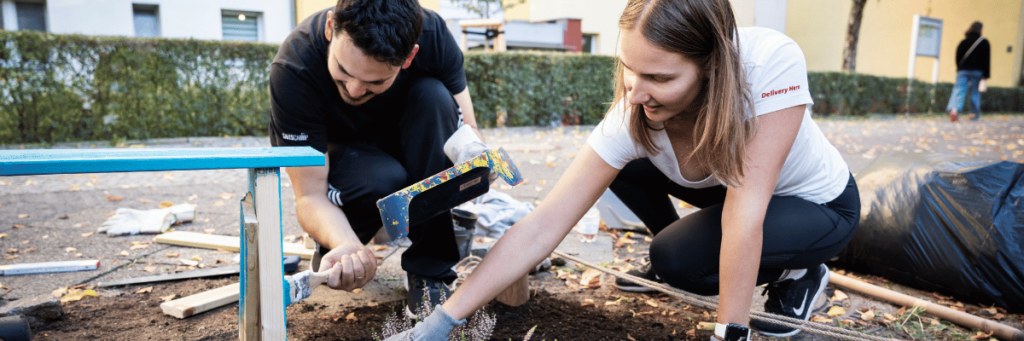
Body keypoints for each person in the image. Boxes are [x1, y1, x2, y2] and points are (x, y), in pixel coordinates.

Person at [386, 0, 860, 340]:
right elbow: (542, 225)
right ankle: (710, 248)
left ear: (712, 66)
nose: (635, 91)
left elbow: (746, 211)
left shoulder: (769, 65)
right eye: (631, 70)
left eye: (660, 78)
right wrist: (442, 321)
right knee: (630, 180)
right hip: (727, 193)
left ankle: (798, 273)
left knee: (677, 261)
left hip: (817, 206)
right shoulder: (634, 111)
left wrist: (729, 334)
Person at [268, 0, 486, 316]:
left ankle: (430, 271)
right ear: (331, 28)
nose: (354, 90)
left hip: (404, 136)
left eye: (375, 82)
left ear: (410, 56)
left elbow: (468, 133)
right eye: (343, 71)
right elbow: (310, 196)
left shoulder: (434, 36)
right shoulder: (294, 69)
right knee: (381, 179)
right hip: (344, 157)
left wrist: (478, 165)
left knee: (435, 97)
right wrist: (346, 247)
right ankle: (339, 241)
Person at [946, 21, 990, 122]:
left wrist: (959, 68)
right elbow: (986, 59)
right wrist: (986, 75)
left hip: (963, 70)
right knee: (975, 92)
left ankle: (954, 111)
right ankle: (973, 114)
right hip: (977, 71)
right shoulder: (983, 42)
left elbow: (957, 57)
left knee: (958, 90)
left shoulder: (963, 42)